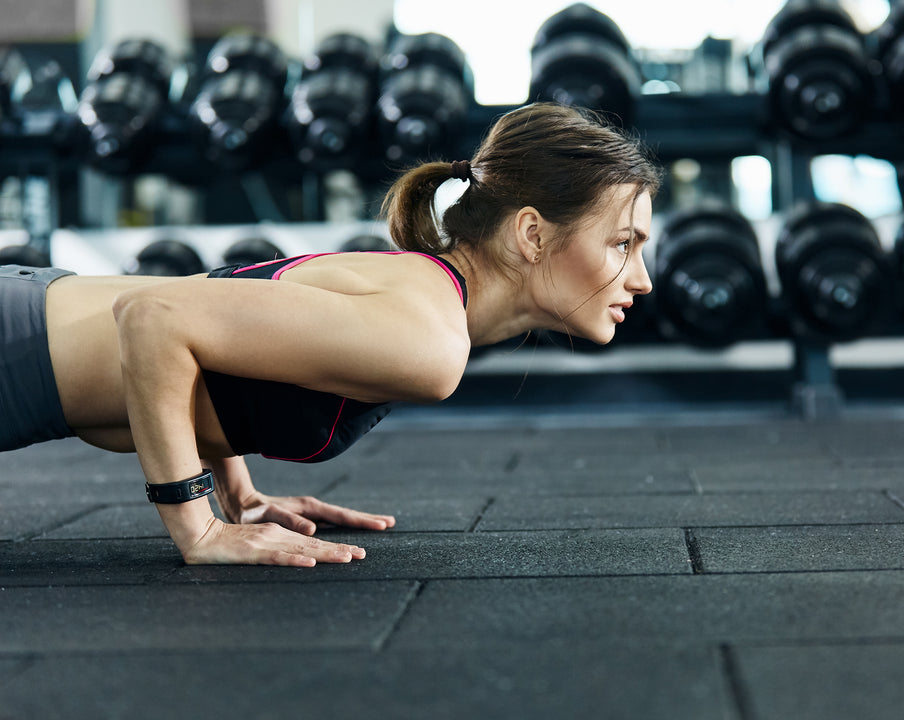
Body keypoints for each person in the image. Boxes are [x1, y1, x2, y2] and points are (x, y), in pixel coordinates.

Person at [1, 102, 662, 566]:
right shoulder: (427, 338)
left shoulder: (422, 292)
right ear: (532, 234)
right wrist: (197, 527)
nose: (642, 279)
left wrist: (241, 497)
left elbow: (219, 324)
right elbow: (155, 320)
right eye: (622, 244)